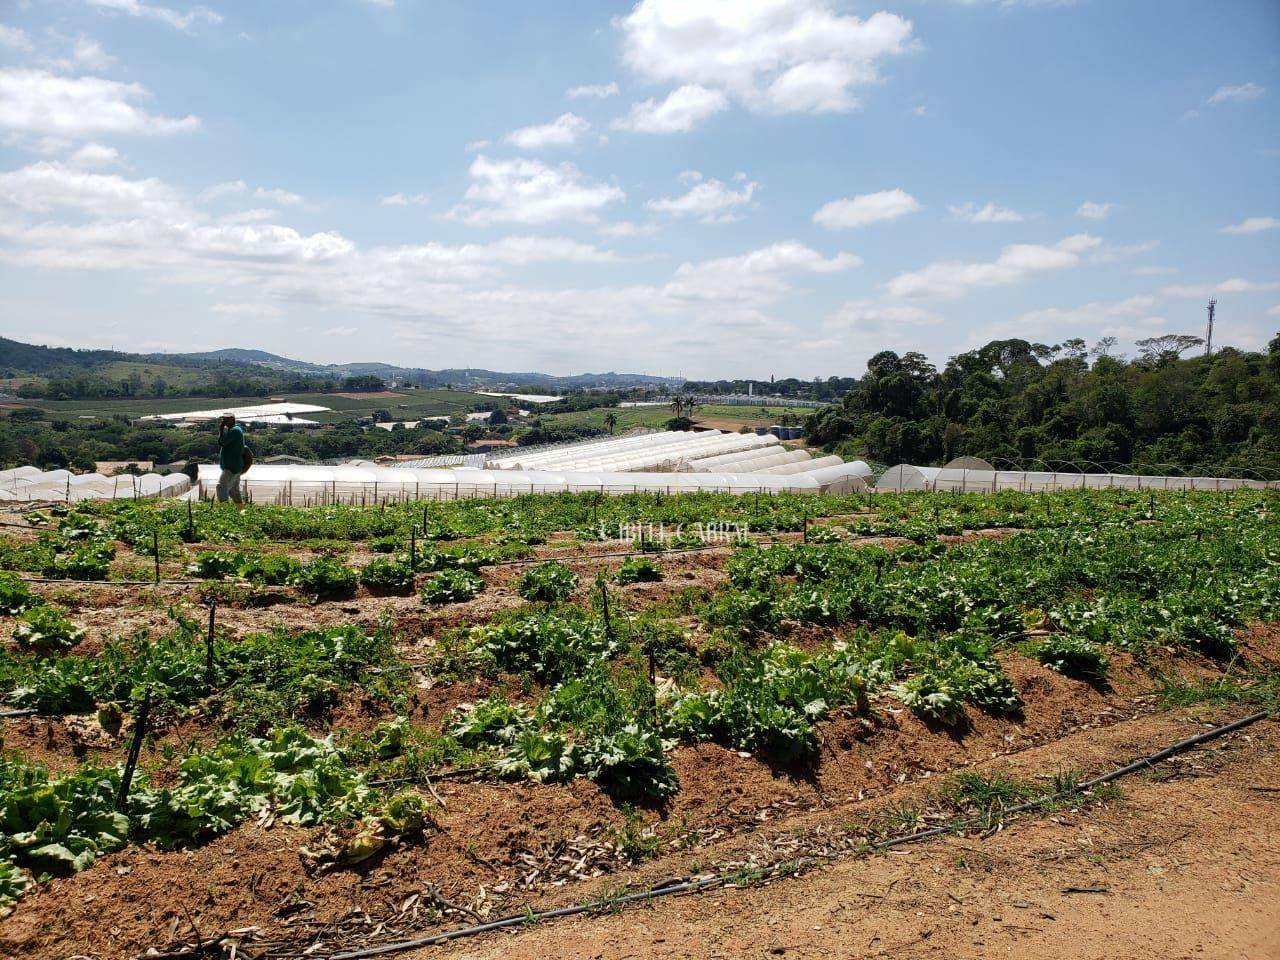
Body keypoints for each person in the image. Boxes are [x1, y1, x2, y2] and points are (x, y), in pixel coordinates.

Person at [216, 414, 247, 509]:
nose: (223, 422)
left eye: (226, 420)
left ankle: (224, 511)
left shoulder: (234, 431)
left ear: (232, 420)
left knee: (221, 487)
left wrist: (221, 429)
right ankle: (241, 510)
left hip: (231, 467)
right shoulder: (235, 430)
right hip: (235, 465)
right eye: (223, 420)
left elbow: (222, 442)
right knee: (233, 490)